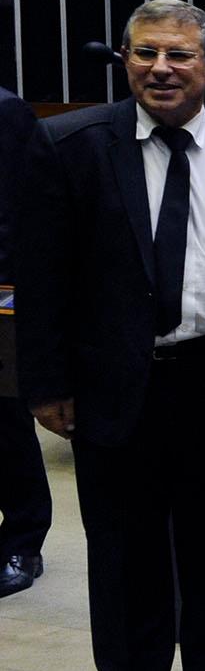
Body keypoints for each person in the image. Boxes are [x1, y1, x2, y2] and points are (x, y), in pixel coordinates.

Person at [19, 0, 205, 671]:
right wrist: (45, 384)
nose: (160, 69)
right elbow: (40, 276)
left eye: (176, 55)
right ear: (126, 60)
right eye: (144, 54)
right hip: (113, 385)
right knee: (124, 544)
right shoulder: (70, 144)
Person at [0, 84, 51, 600]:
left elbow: (20, 208)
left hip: (0, 292)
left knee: (4, 422)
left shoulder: (7, 110)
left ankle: (22, 539)